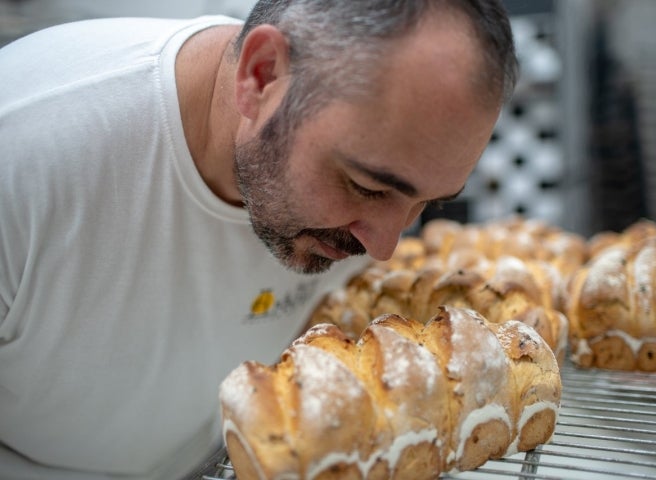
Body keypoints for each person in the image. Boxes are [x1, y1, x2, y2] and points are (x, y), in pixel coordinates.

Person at [0, 0, 517, 478]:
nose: (384, 247)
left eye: (429, 203)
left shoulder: (366, 151)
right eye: (367, 187)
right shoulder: (25, 156)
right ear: (262, 74)